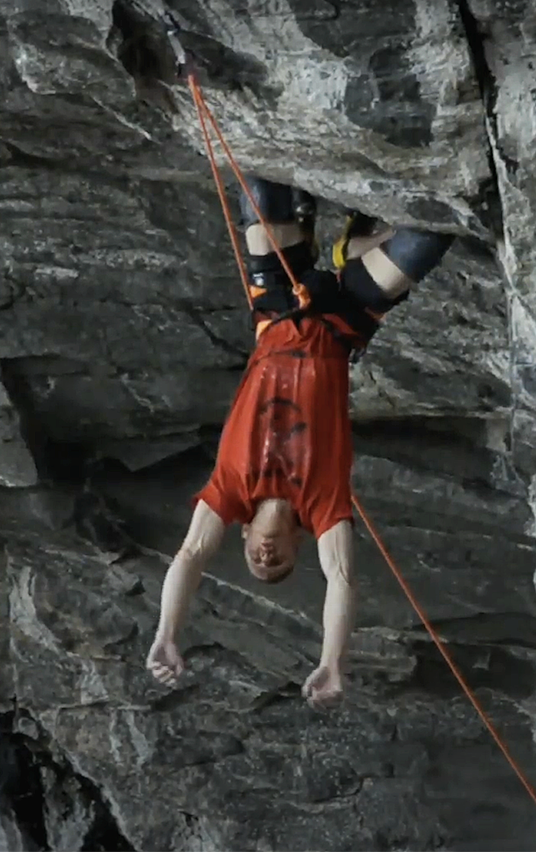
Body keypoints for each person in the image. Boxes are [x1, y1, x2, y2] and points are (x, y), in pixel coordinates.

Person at [145, 177, 454, 708]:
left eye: (258, 563)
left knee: (259, 188)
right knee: (431, 236)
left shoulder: (229, 492)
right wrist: (333, 662)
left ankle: (331, 241)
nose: (268, 556)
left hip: (278, 307)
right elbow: (341, 578)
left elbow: (191, 554)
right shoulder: (322, 503)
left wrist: (167, 635)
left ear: (241, 539)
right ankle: (350, 249)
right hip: (344, 318)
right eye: (280, 563)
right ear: (296, 546)